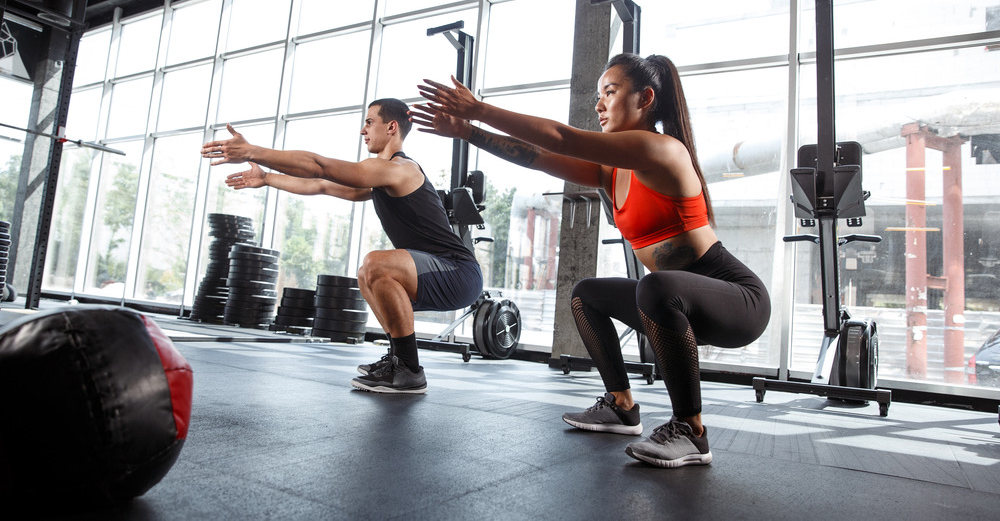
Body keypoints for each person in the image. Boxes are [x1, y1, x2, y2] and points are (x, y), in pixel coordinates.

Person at [411, 53, 771, 468]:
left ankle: (691, 430)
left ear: (646, 99)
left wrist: (480, 109)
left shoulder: (662, 149)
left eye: (610, 93)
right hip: (675, 303)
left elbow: (561, 138)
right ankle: (621, 406)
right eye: (598, 95)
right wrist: (466, 131)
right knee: (587, 294)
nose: (598, 105)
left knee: (653, 286)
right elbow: (537, 156)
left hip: (737, 300)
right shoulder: (612, 170)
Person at [201, 98, 483, 394]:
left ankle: (410, 370)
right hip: (435, 272)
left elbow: (318, 167)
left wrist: (252, 151)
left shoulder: (401, 169)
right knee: (366, 274)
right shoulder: (381, 176)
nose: (363, 130)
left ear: (391, 127)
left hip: (458, 273)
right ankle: (398, 359)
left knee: (377, 263)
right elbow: (320, 184)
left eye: (369, 122)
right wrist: (268, 177)